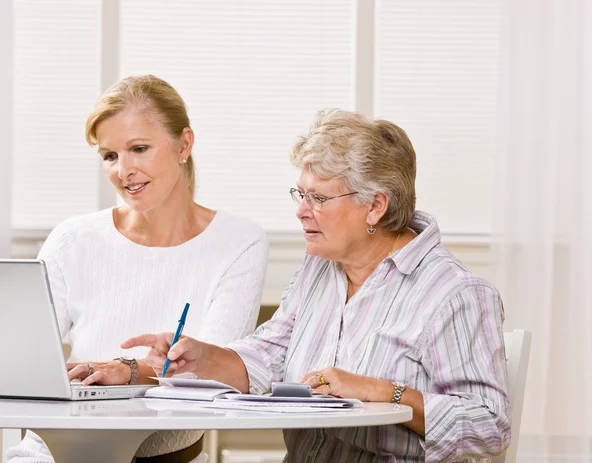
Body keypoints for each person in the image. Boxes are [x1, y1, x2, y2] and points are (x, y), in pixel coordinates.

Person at [124, 109, 511, 463]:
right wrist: (204, 358)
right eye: (301, 194)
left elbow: (490, 426)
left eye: (319, 198)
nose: (301, 210)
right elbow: (271, 352)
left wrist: (386, 392)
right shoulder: (320, 267)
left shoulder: (455, 293)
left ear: (375, 206)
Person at [7, 75, 268, 463]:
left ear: (184, 144)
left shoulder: (238, 242)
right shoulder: (72, 238)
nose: (123, 170)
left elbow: (217, 373)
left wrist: (129, 370)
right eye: (110, 156)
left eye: (139, 149)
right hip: (51, 453)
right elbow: (21, 355)